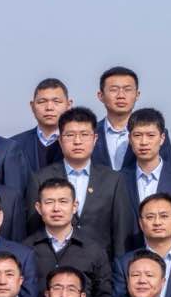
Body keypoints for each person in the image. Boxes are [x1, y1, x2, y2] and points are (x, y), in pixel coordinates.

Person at [30, 108, 134, 267]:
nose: (77, 141)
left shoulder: (113, 180)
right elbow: (33, 229)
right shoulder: (40, 178)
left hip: (99, 270)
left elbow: (121, 233)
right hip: (52, 268)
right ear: (60, 140)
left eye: (84, 135)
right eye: (70, 135)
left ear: (95, 138)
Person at [27, 178, 116, 297]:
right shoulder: (25, 250)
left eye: (63, 201)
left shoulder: (94, 250)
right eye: (49, 202)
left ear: (74, 206)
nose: (56, 208)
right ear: (38, 208)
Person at [119, 109, 171, 251]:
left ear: (162, 138)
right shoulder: (117, 180)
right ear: (130, 139)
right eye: (137, 135)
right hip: (129, 260)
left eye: (151, 135)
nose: (144, 142)